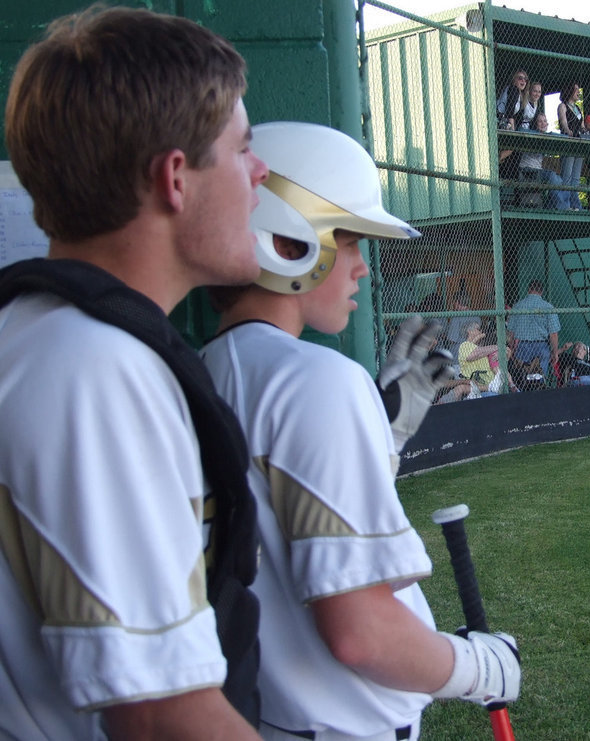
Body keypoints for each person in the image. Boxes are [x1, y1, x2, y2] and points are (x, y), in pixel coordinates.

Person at [202, 122, 521, 740]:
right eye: (346, 241)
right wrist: (480, 667)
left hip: (265, 713)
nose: (361, 269)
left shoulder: (205, 367)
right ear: (287, 241)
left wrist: (384, 443)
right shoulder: (317, 378)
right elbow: (361, 633)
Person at [0, 6, 269, 739]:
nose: (260, 171)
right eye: (242, 149)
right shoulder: (93, 367)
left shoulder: (49, 335)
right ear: (174, 179)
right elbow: (160, 716)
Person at [507, 279, 560, 380]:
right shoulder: (548, 307)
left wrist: (512, 349)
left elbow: (511, 333)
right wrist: (555, 352)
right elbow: (553, 334)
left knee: (522, 376)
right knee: (540, 376)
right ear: (541, 292)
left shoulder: (518, 306)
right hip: (541, 345)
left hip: (522, 345)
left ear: (529, 290)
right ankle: (539, 390)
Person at [517, 113, 570, 210]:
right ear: (535, 124)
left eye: (545, 121)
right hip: (527, 169)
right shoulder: (530, 135)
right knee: (552, 176)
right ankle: (563, 208)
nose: (543, 123)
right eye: (540, 121)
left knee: (561, 181)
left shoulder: (546, 138)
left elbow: (563, 138)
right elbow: (520, 130)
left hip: (538, 170)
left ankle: (555, 207)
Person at [557, 81, 585, 210]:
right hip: (568, 144)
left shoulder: (578, 108)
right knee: (567, 176)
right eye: (575, 90)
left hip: (579, 145)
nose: (578, 92)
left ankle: (575, 204)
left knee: (575, 178)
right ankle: (565, 204)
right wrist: (568, 130)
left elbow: (582, 126)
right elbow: (564, 122)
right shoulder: (563, 106)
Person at [458, 320, 500, 394]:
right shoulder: (464, 345)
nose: (481, 331)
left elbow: (507, 351)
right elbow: (472, 356)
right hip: (481, 387)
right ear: (470, 331)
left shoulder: (480, 347)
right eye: (478, 329)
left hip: (494, 384)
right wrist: (497, 347)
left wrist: (499, 352)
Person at [444, 292, 479, 357]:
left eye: (454, 302)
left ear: (457, 302)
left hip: (458, 353)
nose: (453, 304)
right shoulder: (476, 316)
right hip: (473, 352)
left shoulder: (457, 317)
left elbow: (452, 339)